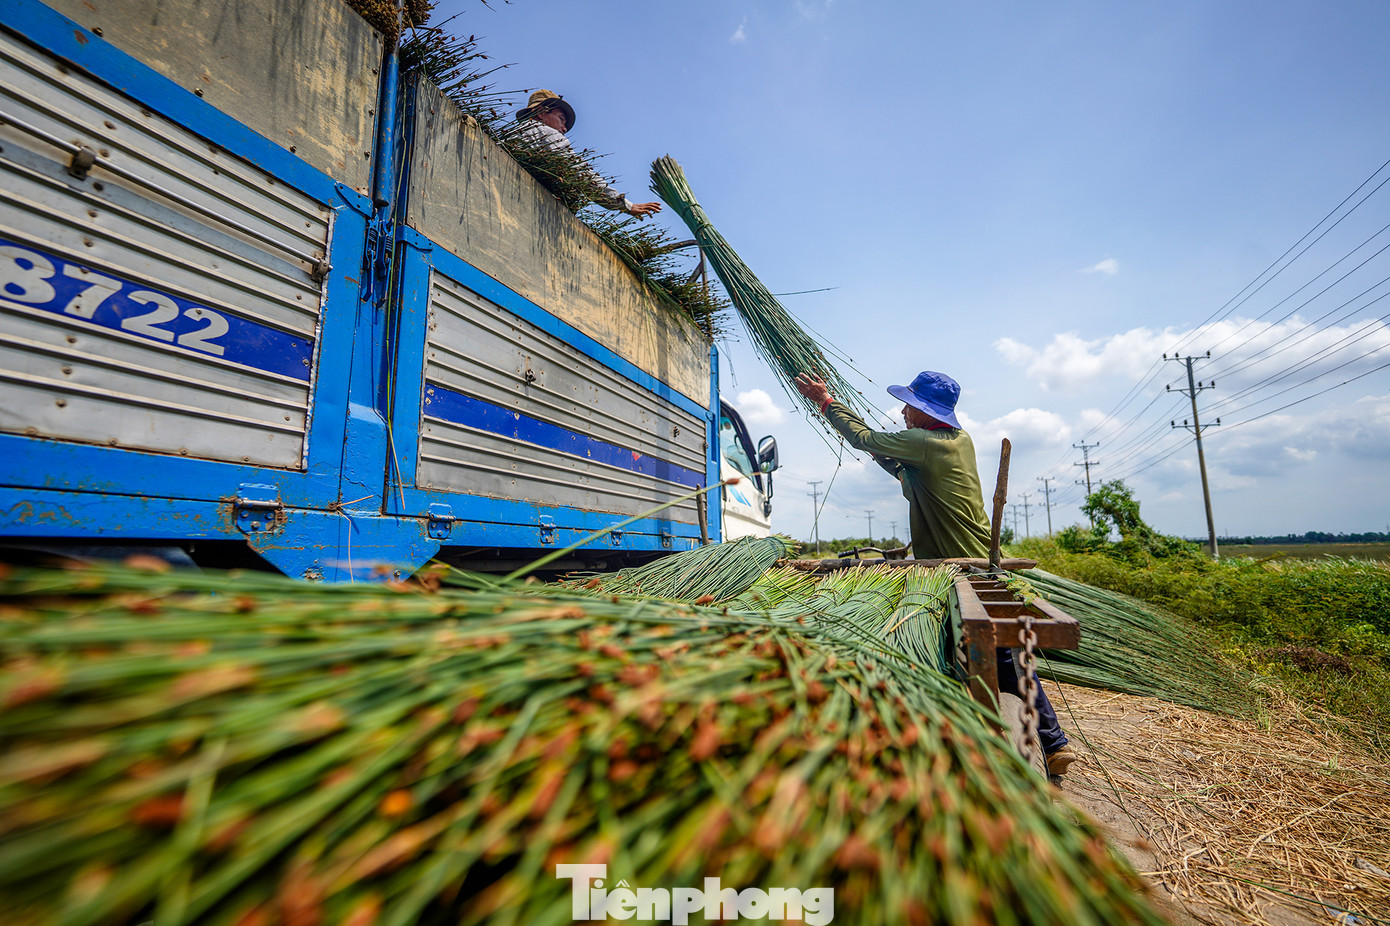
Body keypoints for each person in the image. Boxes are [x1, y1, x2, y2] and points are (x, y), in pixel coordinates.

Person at [793, 369, 1076, 779]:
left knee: (999, 653)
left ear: (926, 413)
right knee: (1006, 653)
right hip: (975, 555)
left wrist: (827, 403)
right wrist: (887, 457)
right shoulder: (955, 441)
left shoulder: (924, 443)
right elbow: (905, 468)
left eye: (910, 405)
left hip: (966, 564)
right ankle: (1052, 741)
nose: (904, 412)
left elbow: (864, 439)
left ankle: (1044, 742)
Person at [514, 90, 663, 218]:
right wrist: (624, 204)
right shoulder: (545, 132)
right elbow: (578, 171)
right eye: (561, 119)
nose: (564, 129)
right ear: (542, 112)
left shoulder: (513, 134)